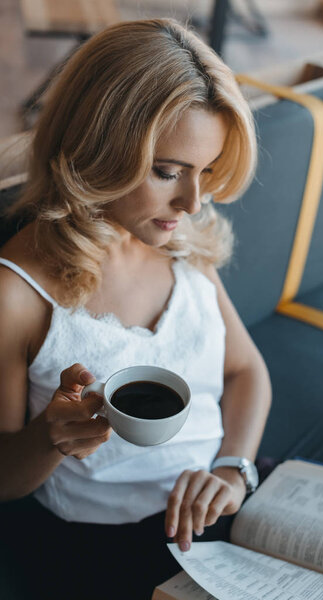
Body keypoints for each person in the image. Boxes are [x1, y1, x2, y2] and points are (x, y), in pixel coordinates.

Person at [0, 18, 272, 599]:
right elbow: (3, 479)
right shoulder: (19, 295)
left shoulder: (182, 242)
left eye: (206, 172)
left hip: (220, 501)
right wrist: (52, 436)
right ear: (97, 146)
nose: (193, 201)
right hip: (106, 545)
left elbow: (247, 371)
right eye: (168, 172)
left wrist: (233, 469)